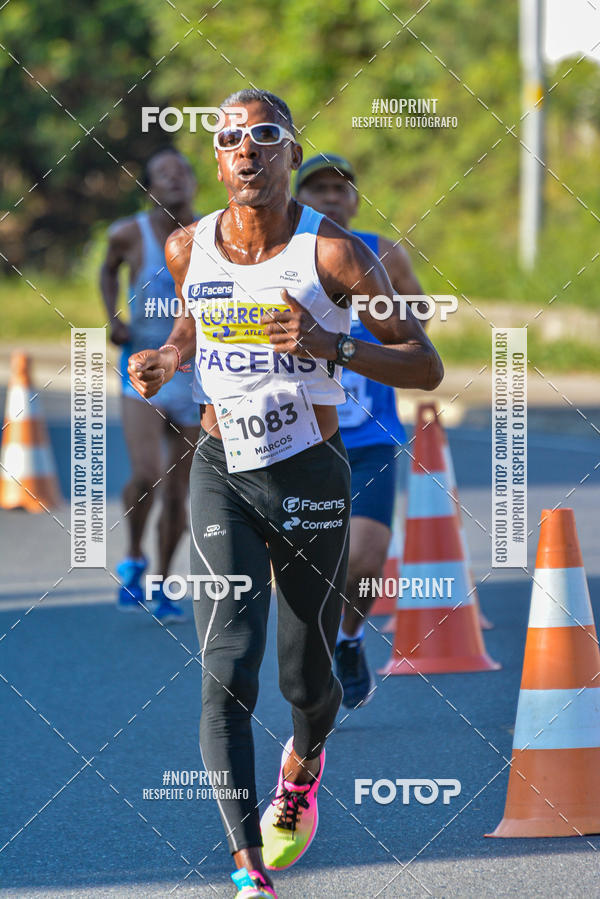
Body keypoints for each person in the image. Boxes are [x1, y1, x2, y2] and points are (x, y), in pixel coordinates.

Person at [127, 89, 443, 899]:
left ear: (291, 154)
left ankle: (301, 766)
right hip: (221, 471)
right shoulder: (186, 245)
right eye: (229, 138)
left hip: (310, 472)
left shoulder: (333, 254)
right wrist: (166, 357)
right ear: (218, 157)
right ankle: (246, 865)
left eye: (264, 136)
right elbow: (191, 328)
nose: (245, 151)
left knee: (307, 679)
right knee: (227, 666)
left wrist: (332, 342)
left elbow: (424, 362)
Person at [296, 154, 425, 709]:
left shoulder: (383, 251)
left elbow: (419, 311)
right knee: (304, 567)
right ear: (300, 195)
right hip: (298, 433)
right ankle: (309, 656)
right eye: (318, 187)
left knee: (367, 561)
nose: (330, 196)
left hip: (369, 436)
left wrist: (391, 316)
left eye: (340, 187)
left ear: (354, 199)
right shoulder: (284, 250)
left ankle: (349, 640)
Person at [100, 147, 200, 623]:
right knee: (146, 475)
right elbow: (107, 268)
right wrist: (112, 317)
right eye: (163, 173)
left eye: (182, 172)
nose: (175, 179)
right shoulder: (129, 233)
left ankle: (162, 581)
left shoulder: (212, 235)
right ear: (149, 188)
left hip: (191, 372)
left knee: (180, 492)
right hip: (139, 367)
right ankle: (134, 554)